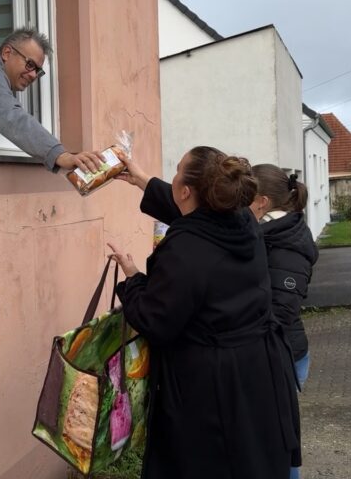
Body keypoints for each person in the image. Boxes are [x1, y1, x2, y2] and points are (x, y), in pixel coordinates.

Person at [107, 147, 301, 479]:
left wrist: (133, 280)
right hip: (258, 371)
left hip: (212, 386)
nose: (174, 176)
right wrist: (142, 180)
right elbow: (197, 215)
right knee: (255, 462)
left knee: (209, 464)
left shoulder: (184, 250)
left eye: (178, 170)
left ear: (186, 190)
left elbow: (157, 321)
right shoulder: (243, 222)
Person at [250, 165, 318, 479]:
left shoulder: (287, 245)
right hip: (274, 352)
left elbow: (280, 311)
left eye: (243, 196)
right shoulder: (270, 231)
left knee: (278, 440)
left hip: (282, 354)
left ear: (261, 202)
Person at [0, 28, 101, 173]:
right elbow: (12, 118)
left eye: (37, 70)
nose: (34, 75)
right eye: (30, 64)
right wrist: (59, 154)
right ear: (7, 53)